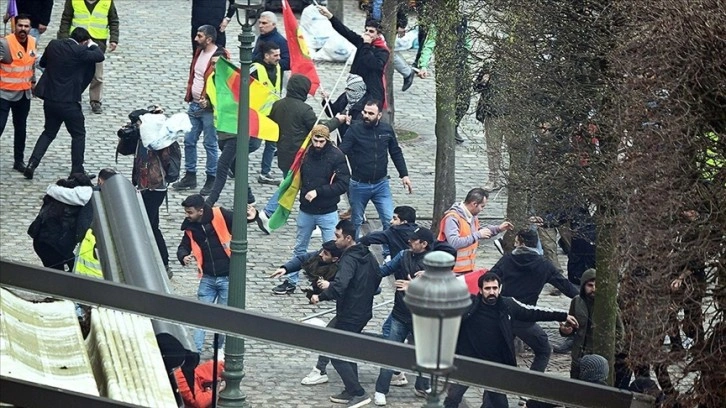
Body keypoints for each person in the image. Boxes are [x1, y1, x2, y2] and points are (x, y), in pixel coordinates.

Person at [443, 273, 578, 408]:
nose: (492, 292)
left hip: (495, 366)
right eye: (487, 288)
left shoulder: (507, 305)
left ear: (500, 289)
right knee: (452, 398)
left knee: (499, 404)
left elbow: (532, 311)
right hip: (469, 362)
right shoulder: (468, 304)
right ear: (480, 290)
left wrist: (562, 315)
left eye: (495, 288)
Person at [257, 74, 347, 229]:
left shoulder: (278, 105)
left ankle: (272, 213)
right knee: (291, 186)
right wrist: (337, 120)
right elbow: (319, 131)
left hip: (283, 154)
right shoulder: (305, 110)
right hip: (300, 157)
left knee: (289, 183)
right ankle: (268, 212)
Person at [310, 220, 381, 407]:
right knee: (344, 347)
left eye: (338, 236)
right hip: (361, 310)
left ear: (348, 238)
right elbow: (377, 277)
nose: (335, 240)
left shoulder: (349, 259)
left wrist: (321, 295)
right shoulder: (367, 253)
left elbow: (340, 286)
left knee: (336, 351)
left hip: (351, 313)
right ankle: (351, 388)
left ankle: (359, 393)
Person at [272, 124, 350, 295]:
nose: (318, 144)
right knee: (300, 248)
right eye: (315, 140)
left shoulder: (337, 156)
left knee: (332, 250)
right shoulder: (305, 153)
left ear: (327, 140)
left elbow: (343, 184)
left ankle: (328, 286)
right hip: (306, 210)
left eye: (321, 141)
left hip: (328, 211)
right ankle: (291, 281)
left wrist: (319, 191)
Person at [489, 229, 578, 373]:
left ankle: (489, 387)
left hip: (503, 314)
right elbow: (566, 287)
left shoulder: (507, 260)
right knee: (543, 349)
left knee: (497, 353)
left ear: (520, 241)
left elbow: (489, 278)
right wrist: (584, 298)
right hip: (525, 318)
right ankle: (531, 386)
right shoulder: (544, 265)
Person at [24, 27, 105, 180]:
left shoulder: (54, 45)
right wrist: (92, 44)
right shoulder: (80, 51)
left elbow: (43, 62)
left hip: (50, 99)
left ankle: (32, 163)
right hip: (69, 102)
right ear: (84, 41)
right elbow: (99, 55)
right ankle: (77, 170)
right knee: (78, 134)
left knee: (48, 132)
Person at [373, 227, 435, 406]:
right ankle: (381, 389)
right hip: (400, 314)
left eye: (414, 240)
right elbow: (383, 270)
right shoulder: (403, 255)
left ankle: (423, 386)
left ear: (424, 244)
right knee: (391, 352)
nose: (410, 242)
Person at [270, 240, 344, 386]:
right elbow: (303, 259)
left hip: (354, 308)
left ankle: (321, 372)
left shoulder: (346, 266)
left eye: (325, 254)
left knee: (334, 337)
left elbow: (347, 286)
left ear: (335, 259)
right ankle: (394, 367)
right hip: (345, 307)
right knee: (344, 338)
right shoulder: (323, 256)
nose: (321, 254)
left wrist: (327, 290)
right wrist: (285, 269)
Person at [339, 100, 413, 238]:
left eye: (370, 113)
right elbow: (342, 151)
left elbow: (395, 152)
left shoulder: (386, 130)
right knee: (356, 221)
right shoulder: (355, 130)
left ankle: (387, 253)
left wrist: (404, 175)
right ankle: (355, 251)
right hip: (359, 184)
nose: (366, 116)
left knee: (389, 219)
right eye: (365, 112)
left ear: (379, 115)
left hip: (381, 184)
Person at [173, 25, 229, 195]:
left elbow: (224, 84)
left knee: (210, 144)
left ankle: (212, 178)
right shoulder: (199, 51)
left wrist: (211, 101)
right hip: (195, 104)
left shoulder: (220, 56)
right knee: (189, 140)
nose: (196, 39)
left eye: (199, 36)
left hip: (210, 109)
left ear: (209, 39)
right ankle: (190, 175)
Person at [558, 269, 628, 384]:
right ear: (583, 286)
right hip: (579, 355)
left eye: (597, 285)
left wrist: (613, 351)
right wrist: (565, 331)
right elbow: (570, 327)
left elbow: (620, 330)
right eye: (590, 285)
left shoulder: (609, 304)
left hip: (600, 359)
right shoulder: (577, 302)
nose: (594, 289)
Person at [317, 5, 389, 110]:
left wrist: (366, 45)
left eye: (371, 31)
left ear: (378, 35)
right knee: (340, 109)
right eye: (366, 30)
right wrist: (330, 16)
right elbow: (346, 32)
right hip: (354, 85)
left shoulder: (382, 51)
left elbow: (373, 64)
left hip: (370, 90)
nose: (367, 34)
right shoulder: (362, 42)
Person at [57, 0, 119, 114]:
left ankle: (95, 101)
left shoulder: (107, 1)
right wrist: (63, 39)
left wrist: (114, 39)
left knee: (97, 75)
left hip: (98, 43)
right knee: (74, 72)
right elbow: (66, 19)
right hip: (77, 42)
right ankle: (72, 97)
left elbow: (113, 20)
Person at [437, 188, 513, 275]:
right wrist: (477, 235)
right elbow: (454, 243)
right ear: (474, 204)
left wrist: (498, 229)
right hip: (451, 271)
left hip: (466, 270)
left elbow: (478, 232)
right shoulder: (452, 218)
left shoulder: (472, 216)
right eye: (482, 206)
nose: (482, 209)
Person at [28, 173, 95, 272]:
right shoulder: (80, 202)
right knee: (60, 275)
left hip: (41, 242)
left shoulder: (55, 196)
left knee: (59, 272)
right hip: (55, 245)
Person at [0, 14, 36, 173]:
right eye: (20, 26)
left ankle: (18, 160)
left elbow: (31, 64)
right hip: (4, 93)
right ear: (15, 26)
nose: (23, 29)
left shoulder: (33, 42)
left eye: (26, 26)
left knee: (21, 128)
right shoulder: (5, 43)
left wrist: (33, 82)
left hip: (23, 93)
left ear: (30, 28)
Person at [251, 41, 283, 186]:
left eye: (279, 54)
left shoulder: (278, 68)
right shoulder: (255, 69)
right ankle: (233, 162)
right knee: (253, 144)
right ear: (266, 56)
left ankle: (265, 173)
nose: (278, 58)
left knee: (272, 143)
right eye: (275, 55)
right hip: (257, 114)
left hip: (274, 113)